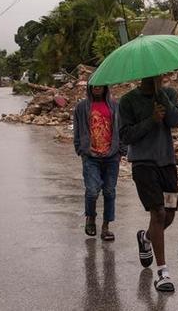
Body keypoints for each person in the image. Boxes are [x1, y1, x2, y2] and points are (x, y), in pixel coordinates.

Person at [119, 75, 178, 292]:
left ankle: (146, 237)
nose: (156, 76)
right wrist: (151, 120)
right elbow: (125, 136)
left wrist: (161, 95)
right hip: (143, 164)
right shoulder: (128, 101)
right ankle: (163, 273)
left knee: (170, 213)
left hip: (167, 163)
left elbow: (176, 121)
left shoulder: (170, 94)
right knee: (158, 213)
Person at [73, 84, 124, 241]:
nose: (97, 87)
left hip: (111, 155)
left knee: (109, 191)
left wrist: (121, 150)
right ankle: (91, 218)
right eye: (94, 85)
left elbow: (122, 128)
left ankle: (106, 227)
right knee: (92, 191)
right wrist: (80, 149)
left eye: (100, 85)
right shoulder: (82, 107)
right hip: (91, 156)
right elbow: (76, 129)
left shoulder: (115, 106)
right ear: (89, 87)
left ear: (105, 86)